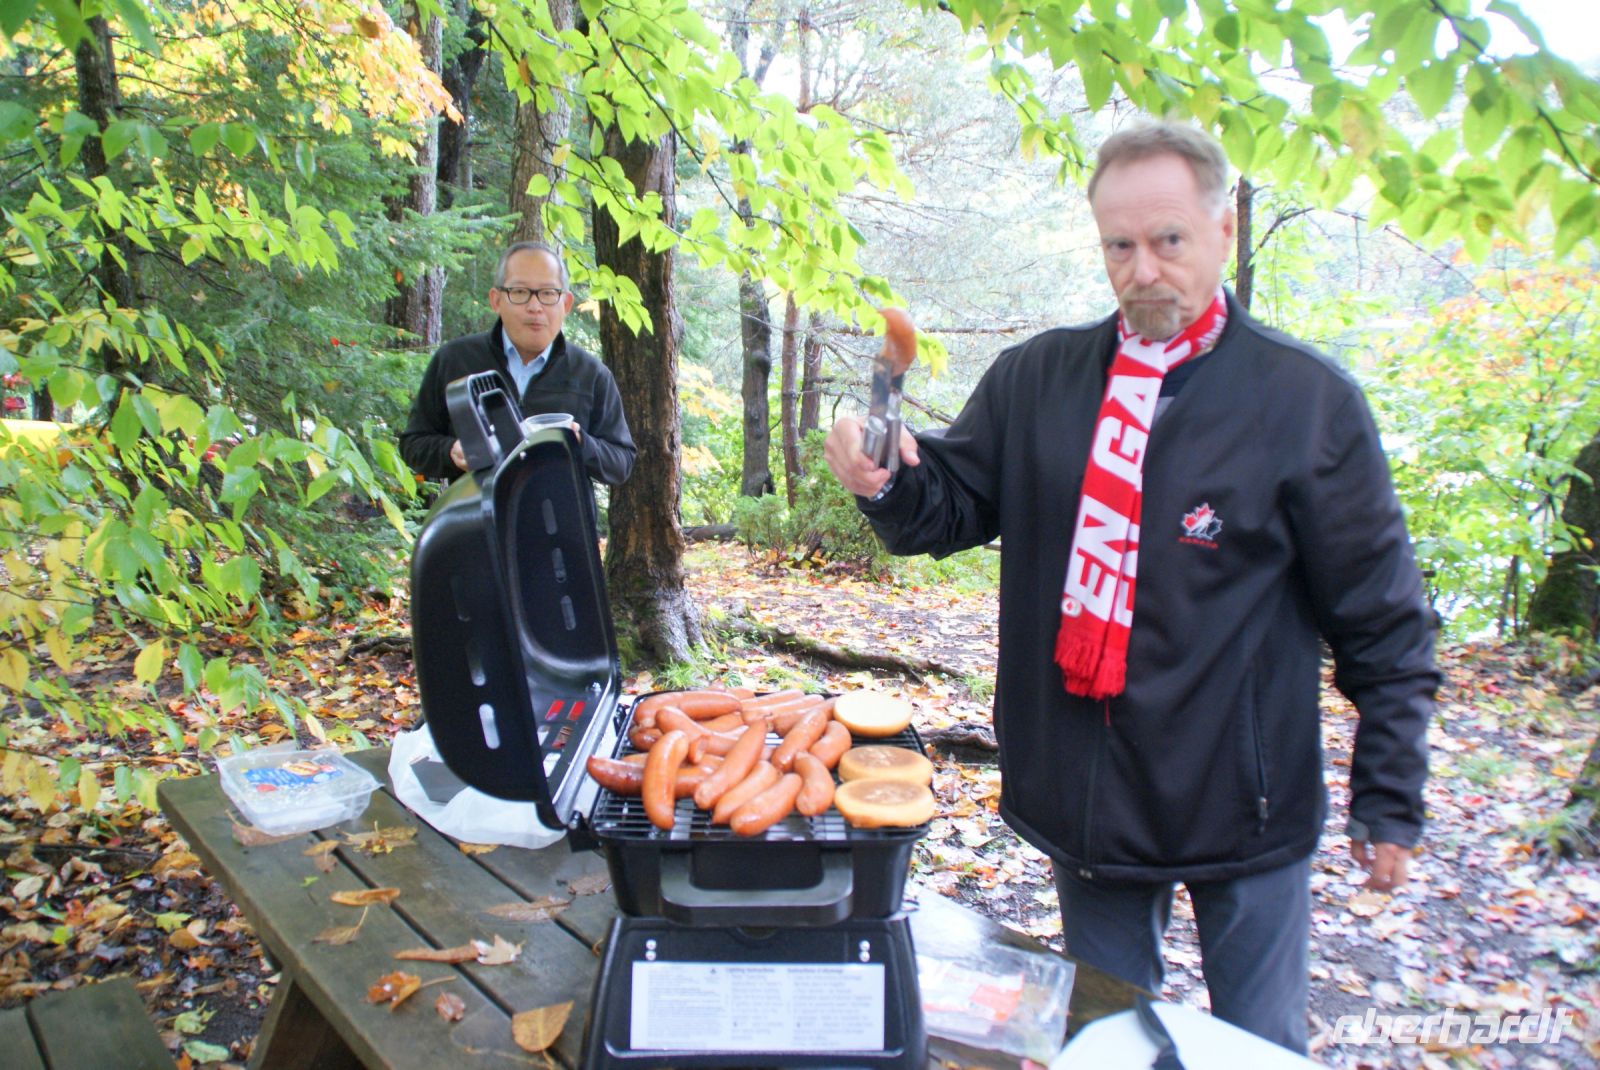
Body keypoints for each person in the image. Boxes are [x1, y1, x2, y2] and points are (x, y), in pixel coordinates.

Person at [824, 122, 1435, 1053]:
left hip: (1246, 804)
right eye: (1120, 244)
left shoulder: (1304, 402)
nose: (1143, 269)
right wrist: (889, 481)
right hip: (1090, 797)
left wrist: (1389, 795)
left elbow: (1383, 621)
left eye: (1169, 241)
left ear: (1222, 230)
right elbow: (942, 510)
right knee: (1110, 1042)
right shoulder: (1040, 379)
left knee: (1259, 1048)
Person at [400, 241, 636, 493]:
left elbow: (622, 462)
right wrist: (452, 452)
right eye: (520, 292)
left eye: (548, 293)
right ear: (496, 300)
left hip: (562, 526)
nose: (535, 307)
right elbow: (413, 444)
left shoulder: (590, 373)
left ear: (565, 303)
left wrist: (580, 444)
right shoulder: (455, 360)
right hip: (476, 523)